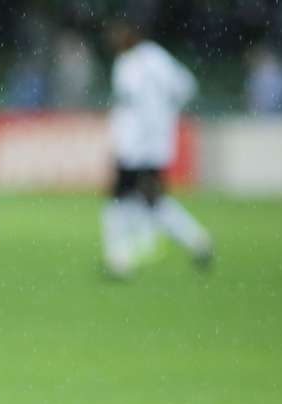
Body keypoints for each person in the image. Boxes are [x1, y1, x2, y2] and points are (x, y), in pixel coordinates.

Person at [103, 20, 212, 278]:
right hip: (157, 143)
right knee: (150, 201)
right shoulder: (157, 57)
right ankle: (197, 239)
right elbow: (187, 85)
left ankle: (119, 258)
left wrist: (122, 140)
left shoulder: (126, 65)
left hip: (133, 145)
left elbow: (127, 107)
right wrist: (167, 115)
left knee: (120, 200)